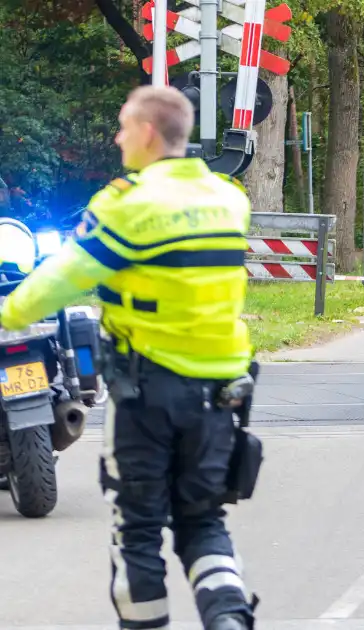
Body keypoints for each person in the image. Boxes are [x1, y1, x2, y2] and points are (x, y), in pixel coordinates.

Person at [0, 86, 258, 630]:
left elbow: (62, 279)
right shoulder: (228, 199)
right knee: (204, 521)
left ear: (146, 133)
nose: (117, 138)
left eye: (122, 127)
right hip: (220, 394)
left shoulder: (127, 205)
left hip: (148, 394)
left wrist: (9, 313)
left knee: (137, 529)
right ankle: (230, 619)